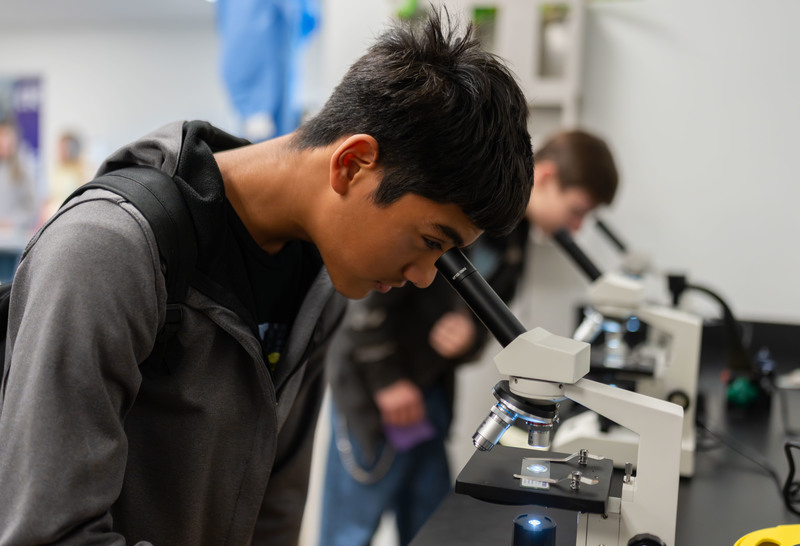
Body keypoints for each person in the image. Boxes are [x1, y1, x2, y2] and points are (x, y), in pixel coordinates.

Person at [0, 10, 533, 546]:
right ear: (351, 164)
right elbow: (51, 533)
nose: (423, 278)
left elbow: (272, 507)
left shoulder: (322, 288)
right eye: (430, 243)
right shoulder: (109, 251)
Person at [320, 129, 618, 546]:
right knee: (351, 530)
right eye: (575, 210)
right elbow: (369, 297)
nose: (576, 226)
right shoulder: (462, 205)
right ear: (546, 177)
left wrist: (467, 338)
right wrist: (387, 381)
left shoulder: (514, 241)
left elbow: (487, 322)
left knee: (430, 524)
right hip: (376, 393)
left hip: (431, 389)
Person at [0, 117, 37, 283]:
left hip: (12, 241)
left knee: (7, 284)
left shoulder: (23, 168)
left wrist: (11, 221)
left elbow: (30, 209)